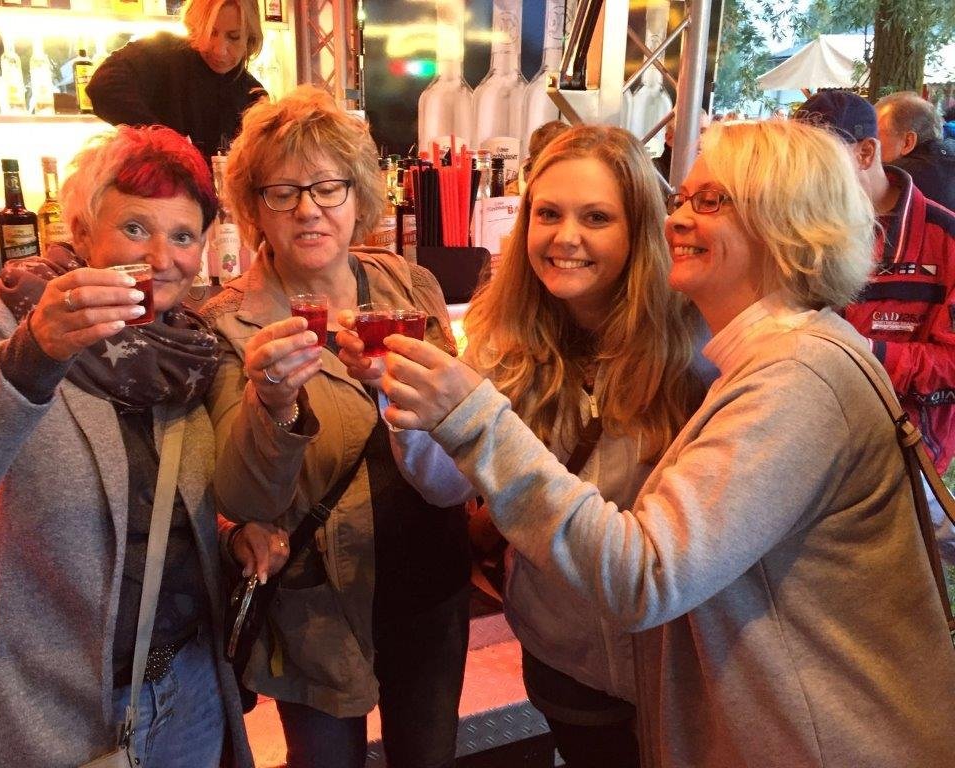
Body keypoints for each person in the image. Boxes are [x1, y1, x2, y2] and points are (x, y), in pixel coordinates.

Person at [375, 119, 955, 767]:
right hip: (711, 700)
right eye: (681, 199)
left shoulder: (795, 377)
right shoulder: (775, 360)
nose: (675, 220)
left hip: (811, 733)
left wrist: (477, 418)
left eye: (708, 201)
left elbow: (645, 576)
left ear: (784, 226)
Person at [339, 125, 706, 767]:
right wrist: (403, 401)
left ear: (640, 229)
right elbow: (445, 487)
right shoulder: (504, 333)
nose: (566, 237)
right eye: (548, 214)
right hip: (563, 650)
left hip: (679, 661)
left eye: (596, 217)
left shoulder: (696, 341)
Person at [0, 125, 257, 767]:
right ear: (82, 232)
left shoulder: (190, 350)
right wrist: (33, 355)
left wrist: (230, 534)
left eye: (183, 236)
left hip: (183, 691)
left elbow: (157, 506)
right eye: (135, 228)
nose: (161, 257)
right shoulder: (0, 322)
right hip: (31, 703)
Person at [202, 86, 470, 768]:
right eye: (282, 192)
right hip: (317, 603)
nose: (308, 209)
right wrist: (274, 405)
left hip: (431, 585)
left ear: (358, 196)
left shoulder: (408, 285)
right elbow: (244, 497)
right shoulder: (229, 324)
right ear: (254, 208)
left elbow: (459, 432)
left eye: (328, 187)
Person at [796, 90, 955, 558]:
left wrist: (863, 353)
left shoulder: (945, 240)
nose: (803, 177)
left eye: (819, 161)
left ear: (866, 153)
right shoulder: (801, 231)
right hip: (810, 438)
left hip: (903, 452)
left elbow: (951, 364)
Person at [88, 0, 265, 161]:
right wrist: (165, 142)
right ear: (195, 26)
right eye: (210, 32)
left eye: (234, 37)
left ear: (250, 37)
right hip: (157, 185)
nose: (219, 50)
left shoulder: (254, 96)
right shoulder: (163, 53)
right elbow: (103, 86)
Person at [874, 91, 955, 211]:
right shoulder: (948, 159)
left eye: (875, 135)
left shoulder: (897, 178)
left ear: (908, 142)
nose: (869, 145)